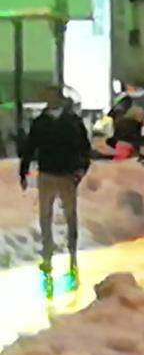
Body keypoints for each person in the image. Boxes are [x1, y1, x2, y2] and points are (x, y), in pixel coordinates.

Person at [19, 86, 92, 279]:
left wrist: (81, 169)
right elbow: (30, 146)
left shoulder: (71, 122)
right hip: (47, 172)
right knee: (45, 214)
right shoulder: (41, 122)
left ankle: (72, 251)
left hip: (66, 173)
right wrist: (23, 170)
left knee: (69, 214)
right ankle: (47, 251)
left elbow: (84, 147)